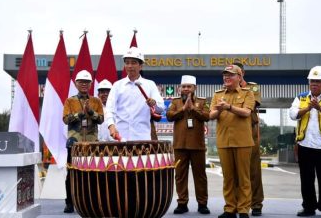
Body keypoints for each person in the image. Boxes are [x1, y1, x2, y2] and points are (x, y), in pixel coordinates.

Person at [289, 66, 321, 218]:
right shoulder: (301, 97)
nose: (314, 84)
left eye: (318, 81)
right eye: (312, 81)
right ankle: (308, 207)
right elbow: (292, 114)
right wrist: (307, 108)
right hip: (305, 145)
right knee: (306, 179)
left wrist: (320, 108)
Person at [209, 65, 255, 218]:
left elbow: (246, 112)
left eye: (230, 75)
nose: (226, 78)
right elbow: (211, 115)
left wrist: (228, 107)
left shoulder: (248, 93)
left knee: (243, 178)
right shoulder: (218, 94)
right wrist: (220, 109)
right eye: (224, 75)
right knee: (228, 178)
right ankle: (230, 209)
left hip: (243, 141)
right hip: (224, 141)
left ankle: (243, 210)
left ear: (239, 77)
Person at [167, 75, 211, 215]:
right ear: (180, 88)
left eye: (189, 86)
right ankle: (182, 203)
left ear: (194, 88)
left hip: (197, 146)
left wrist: (192, 108)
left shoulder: (202, 102)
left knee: (200, 176)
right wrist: (183, 109)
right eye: (184, 86)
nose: (186, 89)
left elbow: (207, 116)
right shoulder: (175, 102)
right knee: (180, 176)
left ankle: (202, 204)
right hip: (180, 145)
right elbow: (169, 116)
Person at [62, 70, 104, 213]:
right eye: (81, 82)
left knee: (93, 172)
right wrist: (80, 113)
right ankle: (69, 202)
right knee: (72, 172)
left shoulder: (96, 101)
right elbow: (66, 119)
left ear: (91, 84)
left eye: (87, 82)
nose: (84, 84)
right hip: (75, 142)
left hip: (92, 143)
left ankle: (91, 201)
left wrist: (91, 112)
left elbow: (101, 119)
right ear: (76, 83)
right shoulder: (70, 101)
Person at [105, 46, 165, 140]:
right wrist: (111, 125)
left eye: (133, 63)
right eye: (127, 63)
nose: (130, 66)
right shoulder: (117, 85)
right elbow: (109, 109)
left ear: (141, 66)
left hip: (142, 137)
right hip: (120, 137)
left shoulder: (150, 84)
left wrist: (154, 104)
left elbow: (161, 108)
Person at [233, 61, 264, 216]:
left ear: (242, 74)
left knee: (253, 170)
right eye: (230, 74)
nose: (232, 76)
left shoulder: (252, 88)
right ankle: (239, 204)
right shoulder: (227, 90)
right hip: (234, 132)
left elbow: (252, 104)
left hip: (250, 132)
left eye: (235, 73)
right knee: (236, 171)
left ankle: (256, 203)